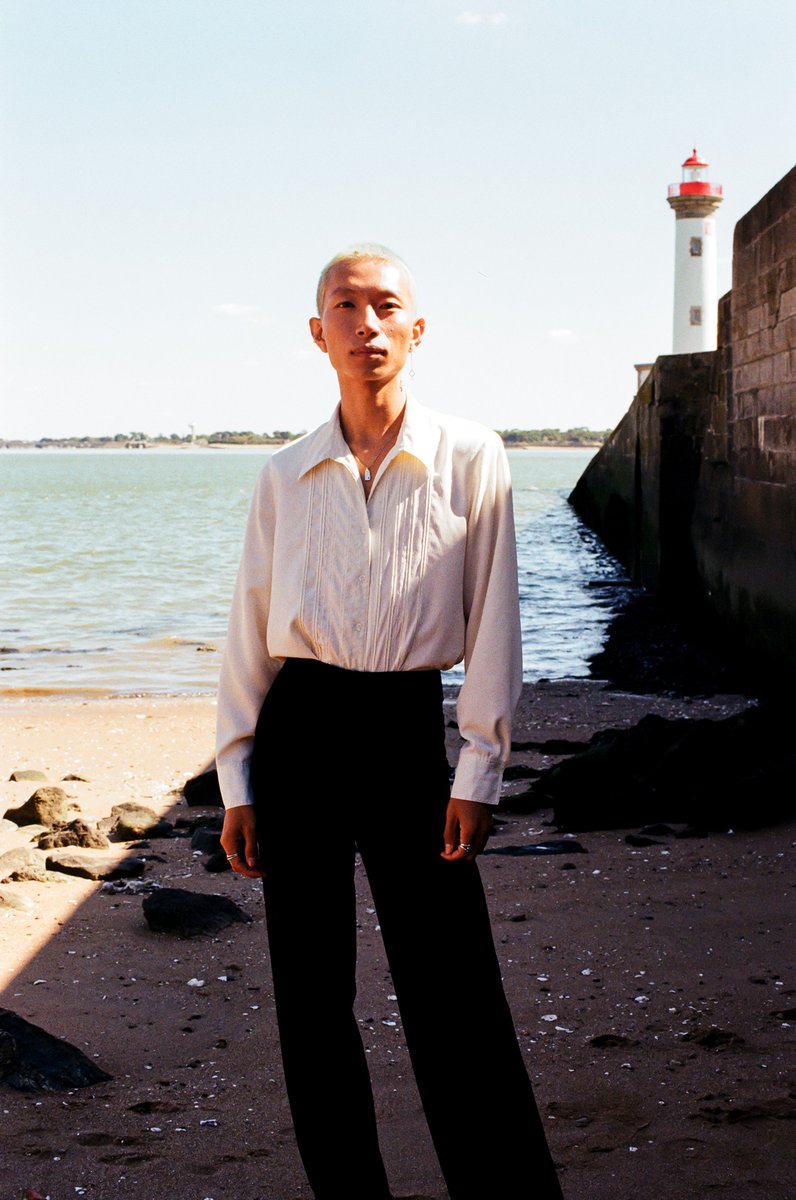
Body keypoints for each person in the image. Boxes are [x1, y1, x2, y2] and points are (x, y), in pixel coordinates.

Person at [217, 244, 564, 1200]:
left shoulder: (470, 455)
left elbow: (495, 618)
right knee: (311, 1003)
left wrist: (480, 766)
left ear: (417, 327)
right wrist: (237, 778)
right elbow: (250, 630)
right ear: (317, 332)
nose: (365, 323)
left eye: (385, 306)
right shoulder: (283, 475)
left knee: (454, 995)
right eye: (345, 307)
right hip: (301, 730)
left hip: (410, 732)